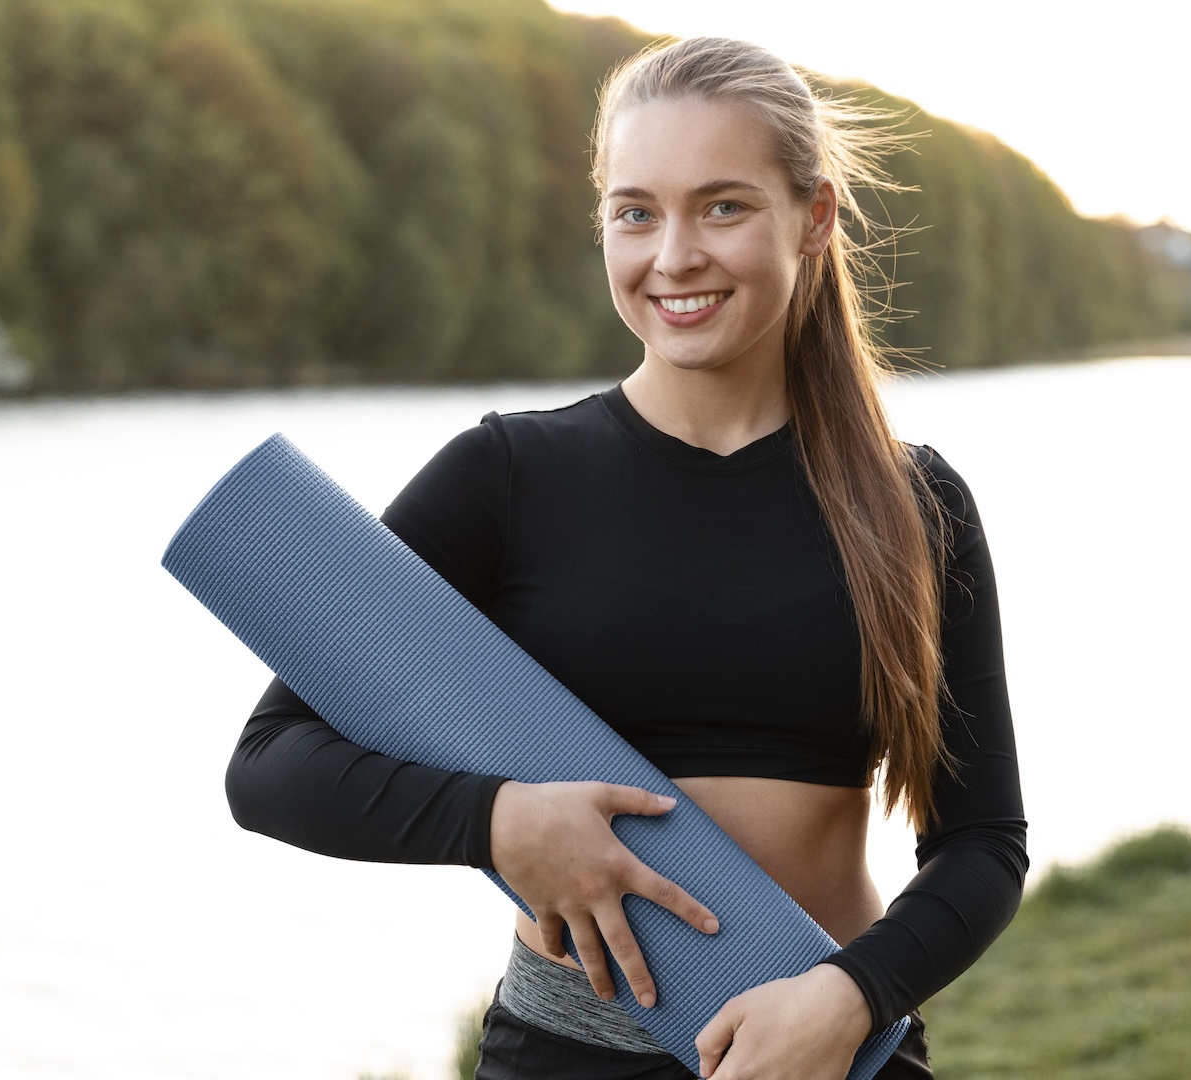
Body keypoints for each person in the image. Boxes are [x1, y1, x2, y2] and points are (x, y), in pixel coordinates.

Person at [224, 36, 1026, 1080]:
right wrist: (496, 820)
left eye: (723, 206)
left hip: (831, 1054)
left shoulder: (916, 504)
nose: (674, 255)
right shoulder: (507, 475)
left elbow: (983, 846)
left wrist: (851, 995)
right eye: (636, 211)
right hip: (562, 1055)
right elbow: (271, 764)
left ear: (814, 218)